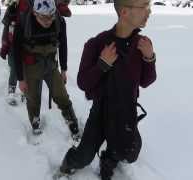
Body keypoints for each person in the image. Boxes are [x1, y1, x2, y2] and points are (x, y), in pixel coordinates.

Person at [58, 0, 157, 179]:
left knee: (129, 152)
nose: (149, 12)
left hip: (126, 111)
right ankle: (68, 163)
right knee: (84, 156)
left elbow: (146, 81)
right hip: (101, 113)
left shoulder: (143, 44)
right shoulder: (97, 44)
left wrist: (149, 57)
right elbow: (83, 83)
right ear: (125, 12)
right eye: (144, 6)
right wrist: (101, 65)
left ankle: (108, 160)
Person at [12, 0, 80, 140]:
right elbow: (16, 53)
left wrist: (64, 69)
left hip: (50, 64)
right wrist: (20, 79)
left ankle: (72, 123)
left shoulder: (59, 21)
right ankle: (35, 122)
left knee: (61, 95)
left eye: (51, 16)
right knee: (33, 97)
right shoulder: (23, 23)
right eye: (43, 17)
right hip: (31, 67)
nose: (48, 21)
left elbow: (63, 45)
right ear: (35, 13)